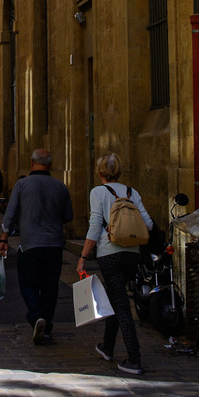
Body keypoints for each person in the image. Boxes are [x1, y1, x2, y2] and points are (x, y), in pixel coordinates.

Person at [77, 152, 153, 376]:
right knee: (115, 296)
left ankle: (134, 358)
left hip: (109, 253)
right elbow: (147, 224)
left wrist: (83, 257)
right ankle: (107, 347)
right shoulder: (132, 192)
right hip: (132, 254)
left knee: (121, 305)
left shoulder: (98, 192)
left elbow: (94, 226)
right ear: (118, 171)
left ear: (100, 172)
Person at [0, 149, 73, 345]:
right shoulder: (60, 186)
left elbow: (10, 214)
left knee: (28, 284)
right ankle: (46, 326)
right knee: (50, 287)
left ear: (32, 164)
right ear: (50, 165)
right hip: (54, 245)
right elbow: (68, 217)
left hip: (30, 245)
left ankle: (36, 315)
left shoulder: (22, 185)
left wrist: (3, 240)